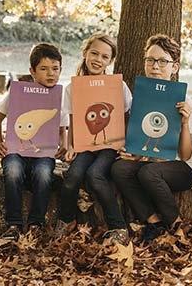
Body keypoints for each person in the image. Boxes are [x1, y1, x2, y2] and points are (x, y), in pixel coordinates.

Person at [110, 34, 192, 243]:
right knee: (120, 169)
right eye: (150, 60)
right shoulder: (138, 100)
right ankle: (153, 222)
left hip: (183, 167)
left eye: (162, 61)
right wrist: (131, 153)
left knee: (148, 172)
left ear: (175, 67)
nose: (155, 66)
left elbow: (186, 154)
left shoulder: (184, 101)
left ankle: (175, 223)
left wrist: (186, 123)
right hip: (151, 164)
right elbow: (141, 143)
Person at [56, 33, 132, 245]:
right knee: (72, 176)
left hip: (111, 145)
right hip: (85, 145)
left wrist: (124, 143)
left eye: (105, 57)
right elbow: (74, 120)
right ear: (85, 53)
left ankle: (118, 227)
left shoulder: (118, 86)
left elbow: (126, 116)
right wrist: (71, 146)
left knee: (95, 175)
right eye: (94, 53)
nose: (98, 59)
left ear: (110, 61)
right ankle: (66, 219)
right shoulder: (74, 88)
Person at [0, 43, 68, 240]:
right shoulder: (18, 94)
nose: (50, 74)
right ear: (32, 71)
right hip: (16, 151)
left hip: (43, 154)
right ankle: (14, 224)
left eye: (55, 68)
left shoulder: (58, 99)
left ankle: (36, 223)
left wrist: (64, 145)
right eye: (43, 69)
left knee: (43, 173)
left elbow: (61, 129)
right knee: (14, 169)